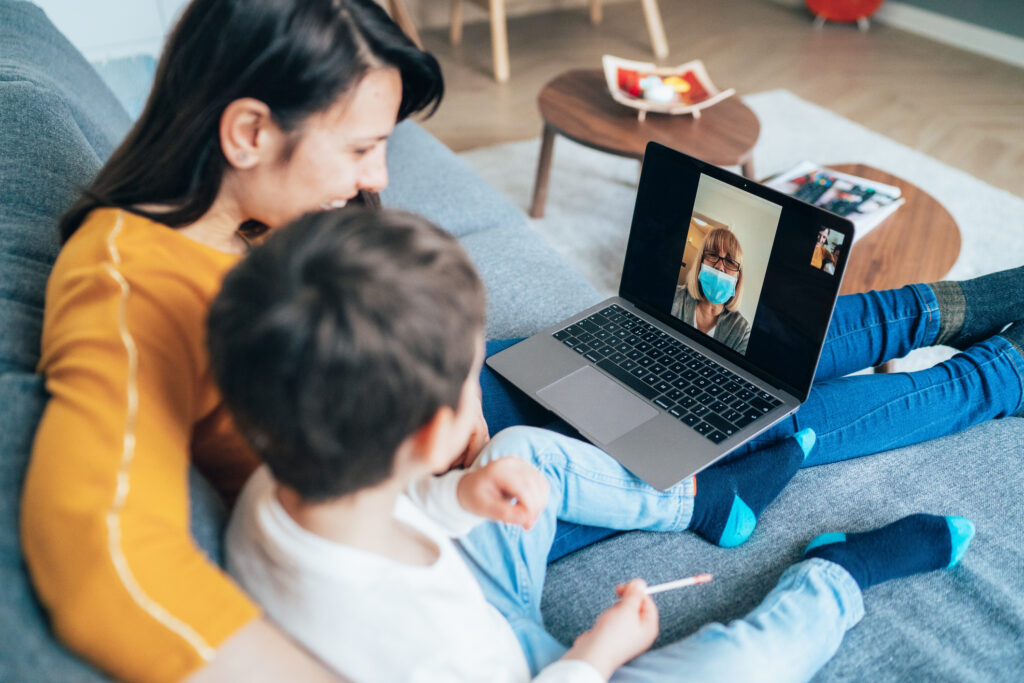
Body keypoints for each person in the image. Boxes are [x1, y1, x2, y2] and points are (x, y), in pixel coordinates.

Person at [216, 208, 976, 682]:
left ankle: (701, 497)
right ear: (425, 430)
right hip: (522, 665)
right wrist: (597, 653)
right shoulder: (425, 654)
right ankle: (837, 574)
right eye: (467, 378)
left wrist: (456, 493)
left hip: (468, 588)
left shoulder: (281, 483)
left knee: (522, 447)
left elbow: (388, 509)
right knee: (744, 664)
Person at [20, 0, 444, 680]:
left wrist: (456, 374)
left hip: (420, 444)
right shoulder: (129, 286)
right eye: (361, 148)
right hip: (388, 517)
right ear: (248, 132)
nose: (378, 176)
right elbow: (101, 559)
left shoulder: (253, 216)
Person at [671, 227, 751, 354]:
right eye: (713, 255)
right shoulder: (674, 297)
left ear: (738, 277)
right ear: (700, 262)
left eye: (730, 261)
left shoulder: (742, 331)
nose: (719, 267)